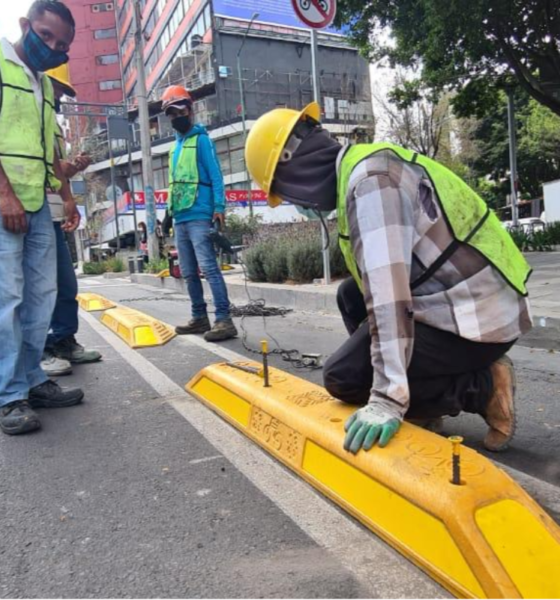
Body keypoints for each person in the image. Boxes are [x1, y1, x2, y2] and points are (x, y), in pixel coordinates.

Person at [245, 102, 532, 454]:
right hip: (471, 299)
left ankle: (483, 387)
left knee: (344, 378)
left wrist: (386, 399)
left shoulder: (372, 183)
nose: (297, 203)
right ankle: (423, 403)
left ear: (294, 168)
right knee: (351, 295)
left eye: (285, 192)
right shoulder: (361, 168)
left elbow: (389, 300)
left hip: (479, 319)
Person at [0, 0, 84, 436]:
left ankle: (32, 379)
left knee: (40, 298)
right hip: (5, 202)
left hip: (36, 202)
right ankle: (9, 394)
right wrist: (4, 194)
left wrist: (65, 193)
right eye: (46, 35)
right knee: (7, 301)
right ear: (24, 25)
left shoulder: (43, 84)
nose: (52, 46)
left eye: (62, 44)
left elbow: (47, 148)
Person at [160, 85, 237, 342]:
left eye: (179, 110)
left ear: (190, 110)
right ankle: (199, 317)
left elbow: (215, 175)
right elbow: (175, 182)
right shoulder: (174, 148)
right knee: (189, 272)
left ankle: (224, 320)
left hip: (200, 214)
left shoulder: (202, 140)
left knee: (208, 268)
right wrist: (168, 214)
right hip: (180, 217)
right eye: (171, 113)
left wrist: (219, 208)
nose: (176, 116)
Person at [40, 64, 102, 377]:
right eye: (59, 89)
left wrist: (71, 174)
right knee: (36, 288)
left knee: (65, 283)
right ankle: (42, 349)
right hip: (28, 208)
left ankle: (63, 339)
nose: (61, 97)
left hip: (49, 211)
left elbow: (53, 169)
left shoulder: (51, 121)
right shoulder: (27, 109)